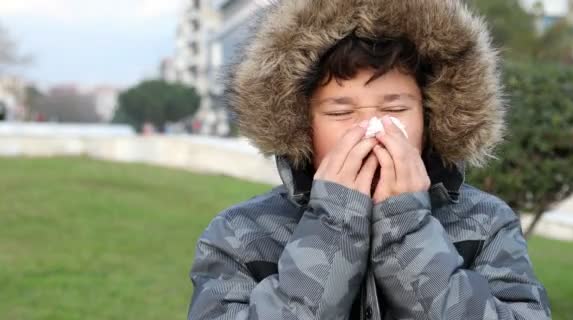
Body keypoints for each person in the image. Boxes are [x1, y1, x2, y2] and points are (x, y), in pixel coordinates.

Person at [187, 0, 552, 319]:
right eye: (340, 112)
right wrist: (334, 229)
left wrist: (407, 228)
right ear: (301, 125)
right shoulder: (240, 235)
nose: (371, 128)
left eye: (395, 107)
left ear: (431, 117)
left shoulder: (486, 225)